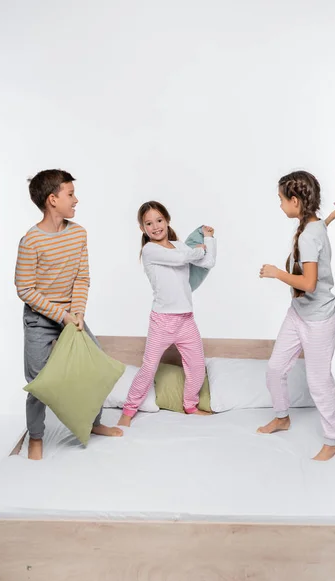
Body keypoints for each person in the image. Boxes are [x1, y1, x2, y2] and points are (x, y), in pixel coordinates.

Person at [15, 169, 123, 460]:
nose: (76, 200)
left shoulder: (78, 234)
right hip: (40, 319)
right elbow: (25, 289)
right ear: (52, 199)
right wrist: (59, 315)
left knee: (95, 370)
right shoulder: (31, 241)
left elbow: (81, 278)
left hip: (71, 315)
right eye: (70, 194)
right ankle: (36, 436)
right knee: (40, 383)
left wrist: (75, 314)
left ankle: (94, 422)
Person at [257, 170, 335, 461]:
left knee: (319, 381)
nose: (280, 205)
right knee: (275, 368)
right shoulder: (312, 224)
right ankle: (282, 417)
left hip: (320, 319)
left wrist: (278, 274)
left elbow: (308, 284)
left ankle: (332, 439)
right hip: (298, 313)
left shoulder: (309, 235)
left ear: (296, 200)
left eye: (281, 200)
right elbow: (319, 229)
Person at [118, 201, 216, 427]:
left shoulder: (179, 246)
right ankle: (128, 410)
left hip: (186, 320)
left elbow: (208, 261)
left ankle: (190, 405)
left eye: (159, 220)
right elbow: (183, 259)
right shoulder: (150, 250)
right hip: (162, 321)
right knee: (149, 367)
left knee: (197, 366)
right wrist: (199, 249)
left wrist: (209, 238)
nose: (155, 226)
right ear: (143, 229)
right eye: (149, 223)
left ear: (167, 220)